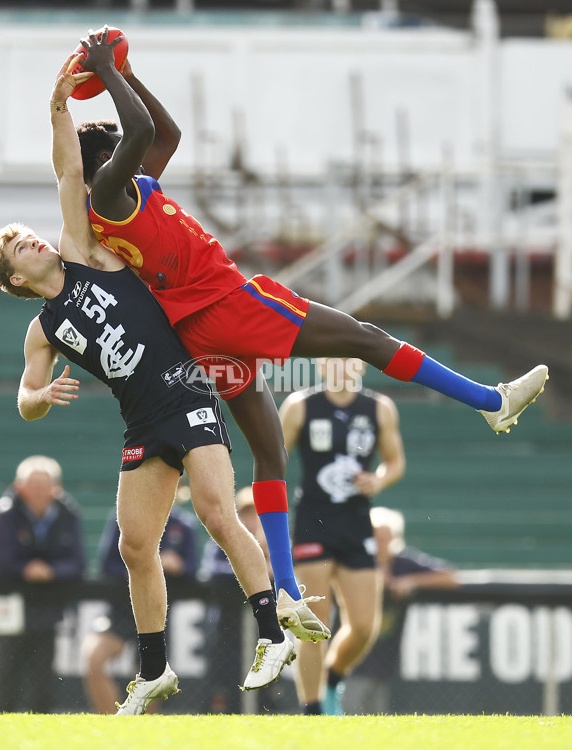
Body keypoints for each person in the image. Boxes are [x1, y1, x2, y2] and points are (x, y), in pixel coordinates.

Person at [70, 30, 546, 641]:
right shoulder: (108, 198)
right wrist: (109, 70)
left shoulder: (132, 189)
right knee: (367, 339)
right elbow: (138, 135)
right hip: (228, 304)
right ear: (100, 167)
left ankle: (289, 590)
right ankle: (492, 403)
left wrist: (127, 75)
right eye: (112, 149)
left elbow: (165, 136)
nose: (124, 150)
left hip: (200, 329)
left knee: (270, 454)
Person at [0, 55, 297, 715]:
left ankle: (272, 633)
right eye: (20, 248)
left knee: (217, 512)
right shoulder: (42, 329)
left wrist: (58, 110)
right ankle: (154, 670)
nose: (34, 242)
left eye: (28, 237)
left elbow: (69, 169)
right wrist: (38, 399)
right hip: (141, 419)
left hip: (184, 387)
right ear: (15, 280)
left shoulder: (80, 251)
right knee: (135, 545)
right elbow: (24, 396)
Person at [279, 358, 406, 715]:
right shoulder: (300, 406)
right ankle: (313, 708)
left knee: (365, 625)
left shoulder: (379, 408)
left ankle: (334, 676)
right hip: (313, 522)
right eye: (332, 359)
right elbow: (273, 456)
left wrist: (379, 480)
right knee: (315, 624)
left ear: (361, 365)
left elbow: (394, 462)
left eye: (348, 358)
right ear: (320, 366)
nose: (340, 365)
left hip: (355, 522)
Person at [0, 455, 85, 713]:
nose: (39, 492)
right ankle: (1, 725)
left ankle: (41, 725)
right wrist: (27, 570)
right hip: (11, 606)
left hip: (49, 607)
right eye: (33, 486)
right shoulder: (6, 512)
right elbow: (2, 562)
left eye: (44, 486)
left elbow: (77, 562)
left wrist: (51, 571)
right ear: (19, 487)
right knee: (7, 670)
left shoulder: (68, 513)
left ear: (57, 488)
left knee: (44, 673)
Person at [81, 503, 198, 714]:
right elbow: (108, 565)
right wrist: (145, 566)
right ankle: (111, 725)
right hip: (122, 608)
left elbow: (192, 569)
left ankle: (142, 735)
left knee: (151, 677)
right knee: (93, 659)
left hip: (159, 615)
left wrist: (178, 566)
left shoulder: (184, 524)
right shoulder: (123, 517)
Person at [344, 506, 459, 715]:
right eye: (375, 537)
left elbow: (450, 576)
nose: (380, 543)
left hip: (384, 655)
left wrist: (410, 581)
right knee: (350, 706)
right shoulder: (355, 560)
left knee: (376, 711)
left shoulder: (404, 563)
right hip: (353, 653)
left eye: (385, 538)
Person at [199, 486, 276, 713]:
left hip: (264, 634)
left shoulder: (273, 544)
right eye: (246, 513)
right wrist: (255, 569)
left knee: (265, 699)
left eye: (256, 514)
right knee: (223, 692)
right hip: (226, 632)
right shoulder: (221, 541)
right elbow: (212, 571)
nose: (251, 520)